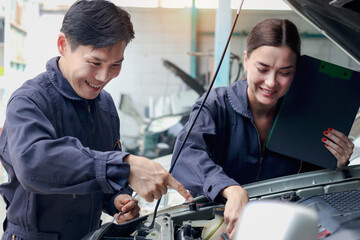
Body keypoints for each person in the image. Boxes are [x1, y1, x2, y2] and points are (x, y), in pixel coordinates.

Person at [0, 0, 193, 239]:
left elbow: (93, 172)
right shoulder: (30, 101)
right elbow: (34, 164)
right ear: (63, 44)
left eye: (115, 65)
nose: (104, 77)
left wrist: (115, 201)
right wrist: (125, 165)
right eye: (95, 63)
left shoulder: (105, 104)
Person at [171, 18, 354, 239]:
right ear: (246, 60)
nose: (271, 82)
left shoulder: (308, 115)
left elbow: (310, 179)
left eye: (285, 72)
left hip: (285, 225)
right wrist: (231, 189)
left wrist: (336, 162)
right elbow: (185, 156)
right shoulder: (215, 106)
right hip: (222, 225)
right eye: (263, 68)